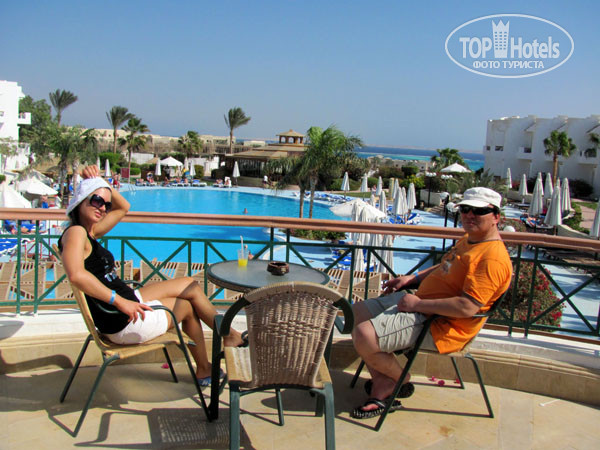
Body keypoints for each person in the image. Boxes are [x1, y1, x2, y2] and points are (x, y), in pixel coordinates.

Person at [58, 165, 244, 386]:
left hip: (125, 301)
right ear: (81, 200)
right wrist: (120, 302)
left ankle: (227, 337)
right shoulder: (76, 232)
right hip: (122, 318)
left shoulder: (89, 232)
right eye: (96, 200)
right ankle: (208, 364)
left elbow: (123, 207)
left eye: (106, 205)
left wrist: (101, 182)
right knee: (186, 307)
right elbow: (76, 275)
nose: (103, 208)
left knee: (189, 285)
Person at [350, 187, 512, 418]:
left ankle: (399, 379)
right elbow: (446, 264)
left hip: (440, 325)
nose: (469, 215)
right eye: (465, 209)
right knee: (355, 313)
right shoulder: (471, 240)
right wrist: (413, 278)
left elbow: (467, 307)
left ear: (496, 216)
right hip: (420, 305)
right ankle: (385, 381)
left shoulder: (492, 258)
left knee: (364, 335)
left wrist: (416, 305)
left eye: (478, 211)